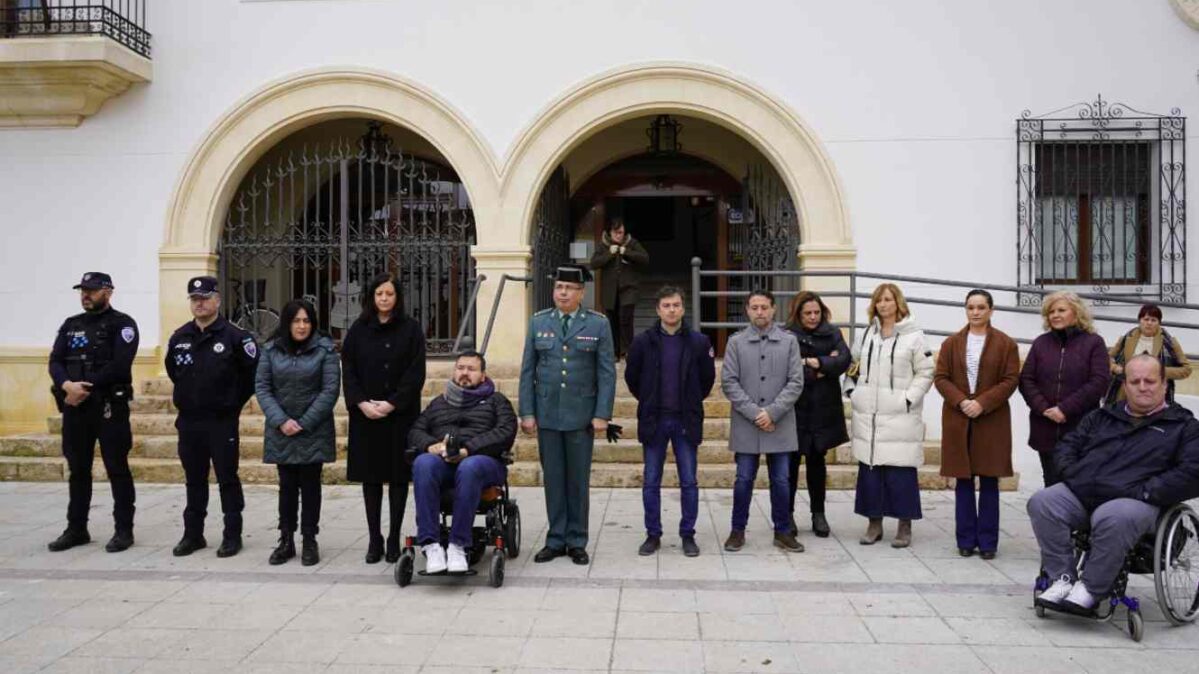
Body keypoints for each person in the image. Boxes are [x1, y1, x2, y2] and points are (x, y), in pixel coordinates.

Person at [1028, 354, 1199, 613]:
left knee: (1113, 516)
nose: (1143, 387)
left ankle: (1090, 588)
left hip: (1138, 500)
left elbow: (1191, 472)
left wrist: (1145, 490)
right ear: (1125, 385)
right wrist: (1076, 476)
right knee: (1043, 502)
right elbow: (1066, 448)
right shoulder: (1101, 417)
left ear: (1165, 384)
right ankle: (1061, 579)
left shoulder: (1184, 426)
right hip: (1085, 493)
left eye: (1150, 381)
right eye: (1135, 381)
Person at [519, 265, 616, 566]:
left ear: (581, 293)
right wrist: (527, 411)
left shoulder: (598, 324)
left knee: (577, 480)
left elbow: (607, 373)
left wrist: (602, 414)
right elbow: (527, 371)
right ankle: (555, 538)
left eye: (569, 288)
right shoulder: (538, 322)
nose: (563, 292)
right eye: (559, 286)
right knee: (554, 478)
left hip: (581, 414)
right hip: (547, 413)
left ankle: (577, 540)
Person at [165, 276, 259, 558]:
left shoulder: (236, 337)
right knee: (194, 479)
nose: (200, 303)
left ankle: (232, 535)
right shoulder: (180, 337)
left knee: (227, 478)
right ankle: (193, 535)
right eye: (195, 299)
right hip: (189, 421)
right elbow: (174, 371)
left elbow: (251, 377)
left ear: (218, 300)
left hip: (221, 421)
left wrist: (230, 404)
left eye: (205, 298)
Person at [46, 272, 138, 553]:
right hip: (76, 407)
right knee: (78, 470)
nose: (86, 295)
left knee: (117, 468)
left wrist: (86, 385)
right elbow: (55, 360)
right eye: (83, 290)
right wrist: (66, 386)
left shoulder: (123, 324)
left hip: (109, 407)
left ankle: (123, 530)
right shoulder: (71, 325)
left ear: (108, 292)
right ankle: (76, 528)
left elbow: (121, 365)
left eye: (92, 290)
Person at [624, 286, 716, 557]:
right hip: (655, 420)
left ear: (683, 308)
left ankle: (688, 534)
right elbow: (632, 378)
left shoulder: (699, 342)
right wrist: (649, 398)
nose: (672, 310)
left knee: (689, 481)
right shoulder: (643, 342)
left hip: (685, 420)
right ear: (658, 309)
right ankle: (653, 534)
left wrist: (690, 400)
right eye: (666, 305)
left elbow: (707, 380)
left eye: (676, 305)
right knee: (651, 481)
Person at [341, 272, 426, 564]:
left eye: (389, 294)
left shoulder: (411, 329)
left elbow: (415, 374)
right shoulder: (358, 329)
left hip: (399, 417)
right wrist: (362, 403)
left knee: (399, 479)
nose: (384, 299)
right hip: (366, 418)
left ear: (397, 297)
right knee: (371, 479)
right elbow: (348, 369)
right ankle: (374, 539)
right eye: (379, 294)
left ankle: (393, 539)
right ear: (372, 297)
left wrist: (391, 404)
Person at [409, 351, 517, 573]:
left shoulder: (497, 401)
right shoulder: (439, 403)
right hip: (444, 463)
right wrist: (431, 445)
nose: (465, 373)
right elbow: (416, 430)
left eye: (471, 369)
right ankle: (431, 545)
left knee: (470, 466)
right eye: (460, 368)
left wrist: (469, 450)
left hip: (484, 464)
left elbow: (505, 432)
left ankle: (458, 545)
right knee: (422, 463)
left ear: (483, 375)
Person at [846, 283, 934, 549]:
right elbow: (853, 364)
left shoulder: (914, 336)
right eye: (879, 300)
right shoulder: (866, 334)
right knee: (870, 471)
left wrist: (908, 398)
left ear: (898, 302)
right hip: (869, 414)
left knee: (900, 472)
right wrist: (852, 391)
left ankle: (904, 525)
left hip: (899, 414)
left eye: (888, 299)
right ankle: (874, 524)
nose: (883, 304)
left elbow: (926, 371)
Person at [934, 289, 1020, 559]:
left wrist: (982, 403)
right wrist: (961, 402)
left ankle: (988, 543)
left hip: (991, 419)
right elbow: (941, 377)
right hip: (958, 418)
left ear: (991, 310)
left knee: (990, 481)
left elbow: (1010, 380)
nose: (975, 312)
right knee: (963, 480)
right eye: (971, 307)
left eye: (981, 307)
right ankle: (965, 540)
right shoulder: (951, 343)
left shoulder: (1006, 344)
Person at [255, 299, 340, 566]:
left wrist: (304, 422)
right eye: (296, 321)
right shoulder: (270, 350)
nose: (301, 326)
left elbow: (329, 390)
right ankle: (286, 539)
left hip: (312, 430)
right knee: (287, 487)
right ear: (287, 323)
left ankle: (309, 539)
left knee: (311, 486)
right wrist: (281, 421)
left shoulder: (325, 350)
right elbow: (263, 387)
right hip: (282, 430)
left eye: (306, 321)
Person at [721, 289, 805, 553]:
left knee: (781, 480)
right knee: (743, 478)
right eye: (755, 307)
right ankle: (737, 530)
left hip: (779, 424)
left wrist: (772, 413)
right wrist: (755, 413)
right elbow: (729, 381)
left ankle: (782, 530)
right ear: (747, 310)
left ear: (773, 309)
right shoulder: (735, 342)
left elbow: (796, 381)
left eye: (764, 307)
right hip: (747, 424)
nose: (760, 312)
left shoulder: (789, 342)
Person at [1019, 291, 1110, 488]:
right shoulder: (1041, 343)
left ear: (1076, 313)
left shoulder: (1094, 343)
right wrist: (1044, 409)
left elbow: (1099, 381)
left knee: (1079, 485)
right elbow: (1026, 380)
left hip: (1080, 429)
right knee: (1051, 484)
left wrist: (1064, 409)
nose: (1055, 315)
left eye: (1061, 310)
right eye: (1051, 311)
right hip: (1045, 428)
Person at [784, 291, 849, 539]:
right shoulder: (787, 334)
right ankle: (786, 515)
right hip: (795, 409)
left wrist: (813, 362)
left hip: (823, 409)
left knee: (817, 463)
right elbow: (787, 368)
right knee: (789, 465)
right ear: (798, 314)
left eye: (816, 312)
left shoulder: (832, 333)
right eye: (807, 313)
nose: (813, 317)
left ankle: (818, 514)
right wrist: (823, 366)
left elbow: (843, 360)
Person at [1106, 303, 1192, 404]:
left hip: (1154, 394)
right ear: (1140, 320)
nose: (1149, 323)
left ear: (1159, 323)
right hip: (1124, 392)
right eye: (1146, 319)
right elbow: (1106, 359)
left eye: (1153, 320)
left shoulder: (1169, 342)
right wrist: (1116, 368)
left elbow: (1186, 369)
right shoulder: (1127, 338)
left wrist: (1159, 372)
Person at [589, 216, 649, 359]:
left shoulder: (631, 243)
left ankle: (629, 351)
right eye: (616, 232)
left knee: (625, 319)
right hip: (610, 292)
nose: (619, 235)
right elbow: (594, 263)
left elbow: (645, 258)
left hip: (629, 290)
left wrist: (625, 251)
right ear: (610, 232)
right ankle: (615, 352)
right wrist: (609, 253)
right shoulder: (603, 245)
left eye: (621, 232)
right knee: (612, 321)